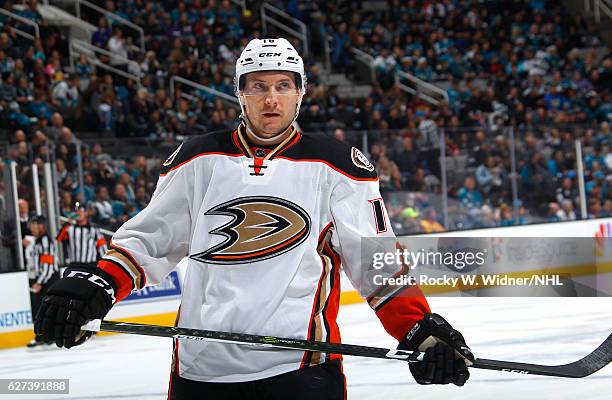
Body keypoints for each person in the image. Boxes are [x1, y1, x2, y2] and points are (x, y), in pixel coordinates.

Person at [35, 38, 473, 399]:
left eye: (284, 85)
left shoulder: (339, 166)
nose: (270, 98)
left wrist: (417, 327)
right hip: (201, 372)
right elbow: (150, 241)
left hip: (302, 369)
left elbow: (374, 261)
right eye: (257, 85)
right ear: (239, 92)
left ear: (301, 92)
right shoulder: (198, 157)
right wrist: (101, 283)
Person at [27, 215, 58, 348]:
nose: (32, 227)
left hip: (48, 280)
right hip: (44, 279)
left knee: (44, 309)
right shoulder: (38, 241)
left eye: (35, 224)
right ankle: (43, 336)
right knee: (40, 309)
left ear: (41, 226)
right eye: (31, 224)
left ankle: (46, 337)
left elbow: (48, 266)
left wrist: (39, 282)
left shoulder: (45, 241)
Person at [56, 202, 108, 268]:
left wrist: (104, 263)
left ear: (86, 213)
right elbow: (59, 238)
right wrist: (67, 223)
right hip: (74, 265)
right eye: (76, 210)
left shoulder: (94, 229)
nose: (78, 212)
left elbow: (102, 247)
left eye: (81, 210)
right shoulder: (70, 229)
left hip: (90, 265)